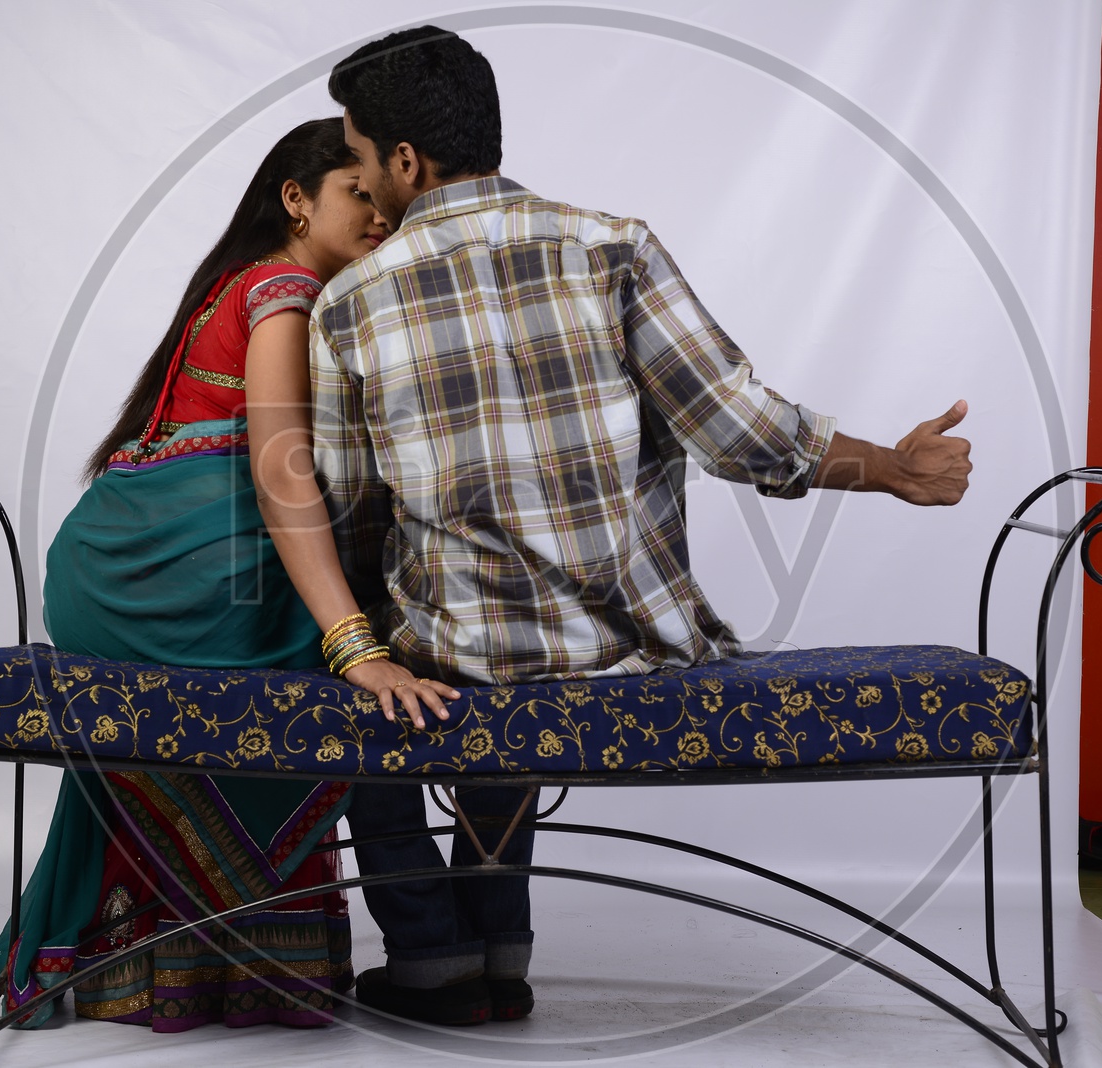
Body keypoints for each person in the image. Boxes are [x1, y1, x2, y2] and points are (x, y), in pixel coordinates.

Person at [304, 27, 974, 1025]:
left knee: (399, 650)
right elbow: (739, 426)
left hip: (463, 657)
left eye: (359, 161)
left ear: (406, 162)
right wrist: (891, 470)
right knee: (521, 613)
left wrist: (360, 637)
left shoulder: (349, 304)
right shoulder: (613, 245)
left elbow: (348, 510)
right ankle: (500, 944)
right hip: (627, 659)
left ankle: (434, 957)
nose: (362, 186)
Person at [0, 118, 455, 1032]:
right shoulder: (282, 294)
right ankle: (408, 941)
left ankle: (173, 964)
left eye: (382, 194)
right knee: (368, 662)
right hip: (172, 578)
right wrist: (355, 645)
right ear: (296, 199)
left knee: (354, 637)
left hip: (121, 565)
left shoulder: (242, 287)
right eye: (356, 192)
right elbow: (283, 478)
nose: (379, 213)